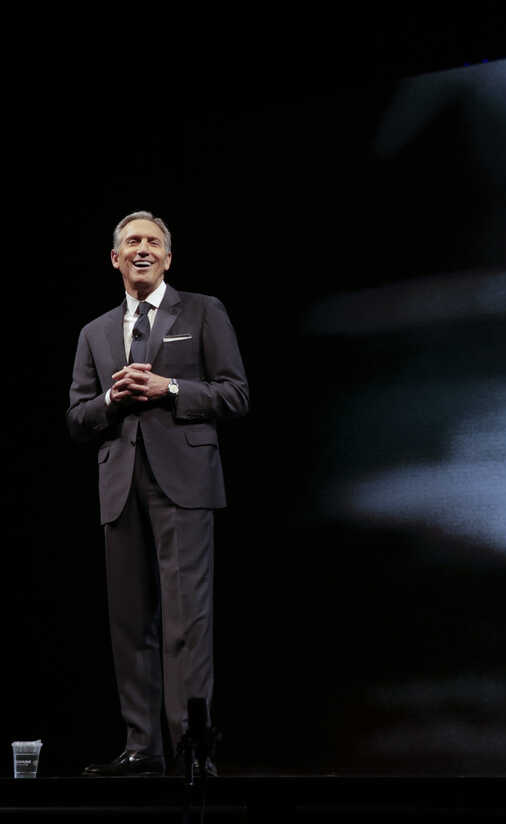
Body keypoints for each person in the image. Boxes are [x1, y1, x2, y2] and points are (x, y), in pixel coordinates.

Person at [67, 211, 249, 777]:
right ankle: (142, 748)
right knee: (130, 622)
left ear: (168, 258)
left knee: (186, 620)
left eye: (152, 242)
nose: (142, 249)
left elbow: (235, 394)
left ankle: (193, 750)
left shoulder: (202, 311)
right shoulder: (95, 332)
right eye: (131, 242)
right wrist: (112, 401)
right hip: (120, 485)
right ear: (115, 259)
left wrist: (168, 387)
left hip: (184, 482)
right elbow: (77, 418)